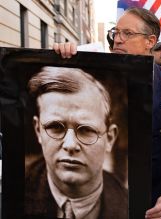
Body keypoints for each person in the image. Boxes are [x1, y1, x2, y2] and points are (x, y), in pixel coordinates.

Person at [54, 7, 161, 219]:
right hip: (101, 202)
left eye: (127, 33)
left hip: (154, 202)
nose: (117, 40)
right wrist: (60, 59)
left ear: (150, 41)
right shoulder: (93, 73)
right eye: (115, 32)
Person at [25, 66, 128, 219]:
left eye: (86, 130)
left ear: (110, 138)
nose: (70, 145)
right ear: (38, 130)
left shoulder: (129, 206)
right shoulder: (14, 191)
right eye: (55, 127)